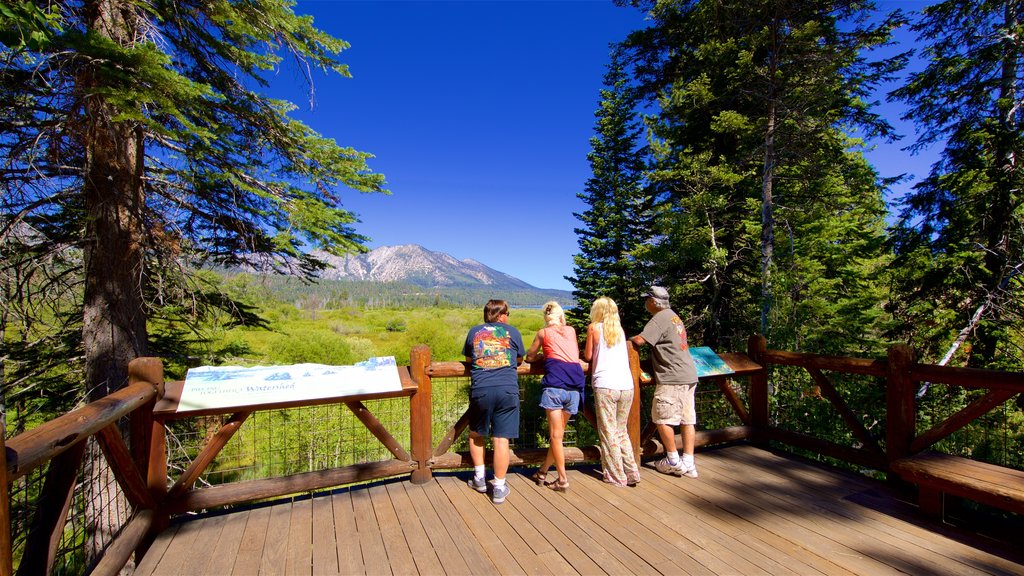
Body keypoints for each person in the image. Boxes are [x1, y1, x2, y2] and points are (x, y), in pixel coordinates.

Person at [630, 286, 700, 478]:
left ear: (654, 301)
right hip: (688, 375)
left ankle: (673, 461)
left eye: (647, 299)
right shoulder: (673, 316)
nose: (646, 303)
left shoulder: (660, 318)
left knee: (662, 417)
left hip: (672, 377)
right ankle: (689, 462)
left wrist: (621, 342)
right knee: (687, 419)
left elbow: (639, 340)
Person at [463, 299, 526, 504]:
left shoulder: (474, 332)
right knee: (501, 439)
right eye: (507, 313)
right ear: (500, 315)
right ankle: (498, 487)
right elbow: (519, 359)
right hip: (507, 389)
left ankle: (479, 478)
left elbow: (470, 360)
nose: (508, 317)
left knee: (476, 434)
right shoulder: (512, 332)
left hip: (481, 389)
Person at [525, 301, 585, 491]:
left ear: (545, 317)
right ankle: (543, 471)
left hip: (554, 387)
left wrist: (542, 358)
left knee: (556, 437)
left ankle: (562, 479)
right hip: (575, 386)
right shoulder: (571, 331)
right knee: (558, 436)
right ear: (561, 315)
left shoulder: (543, 333)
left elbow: (529, 356)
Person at [585, 296, 641, 487]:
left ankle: (616, 475)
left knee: (608, 432)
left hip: (605, 385)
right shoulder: (620, 330)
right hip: (626, 385)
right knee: (621, 430)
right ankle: (632, 471)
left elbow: (588, 355)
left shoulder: (594, 328)